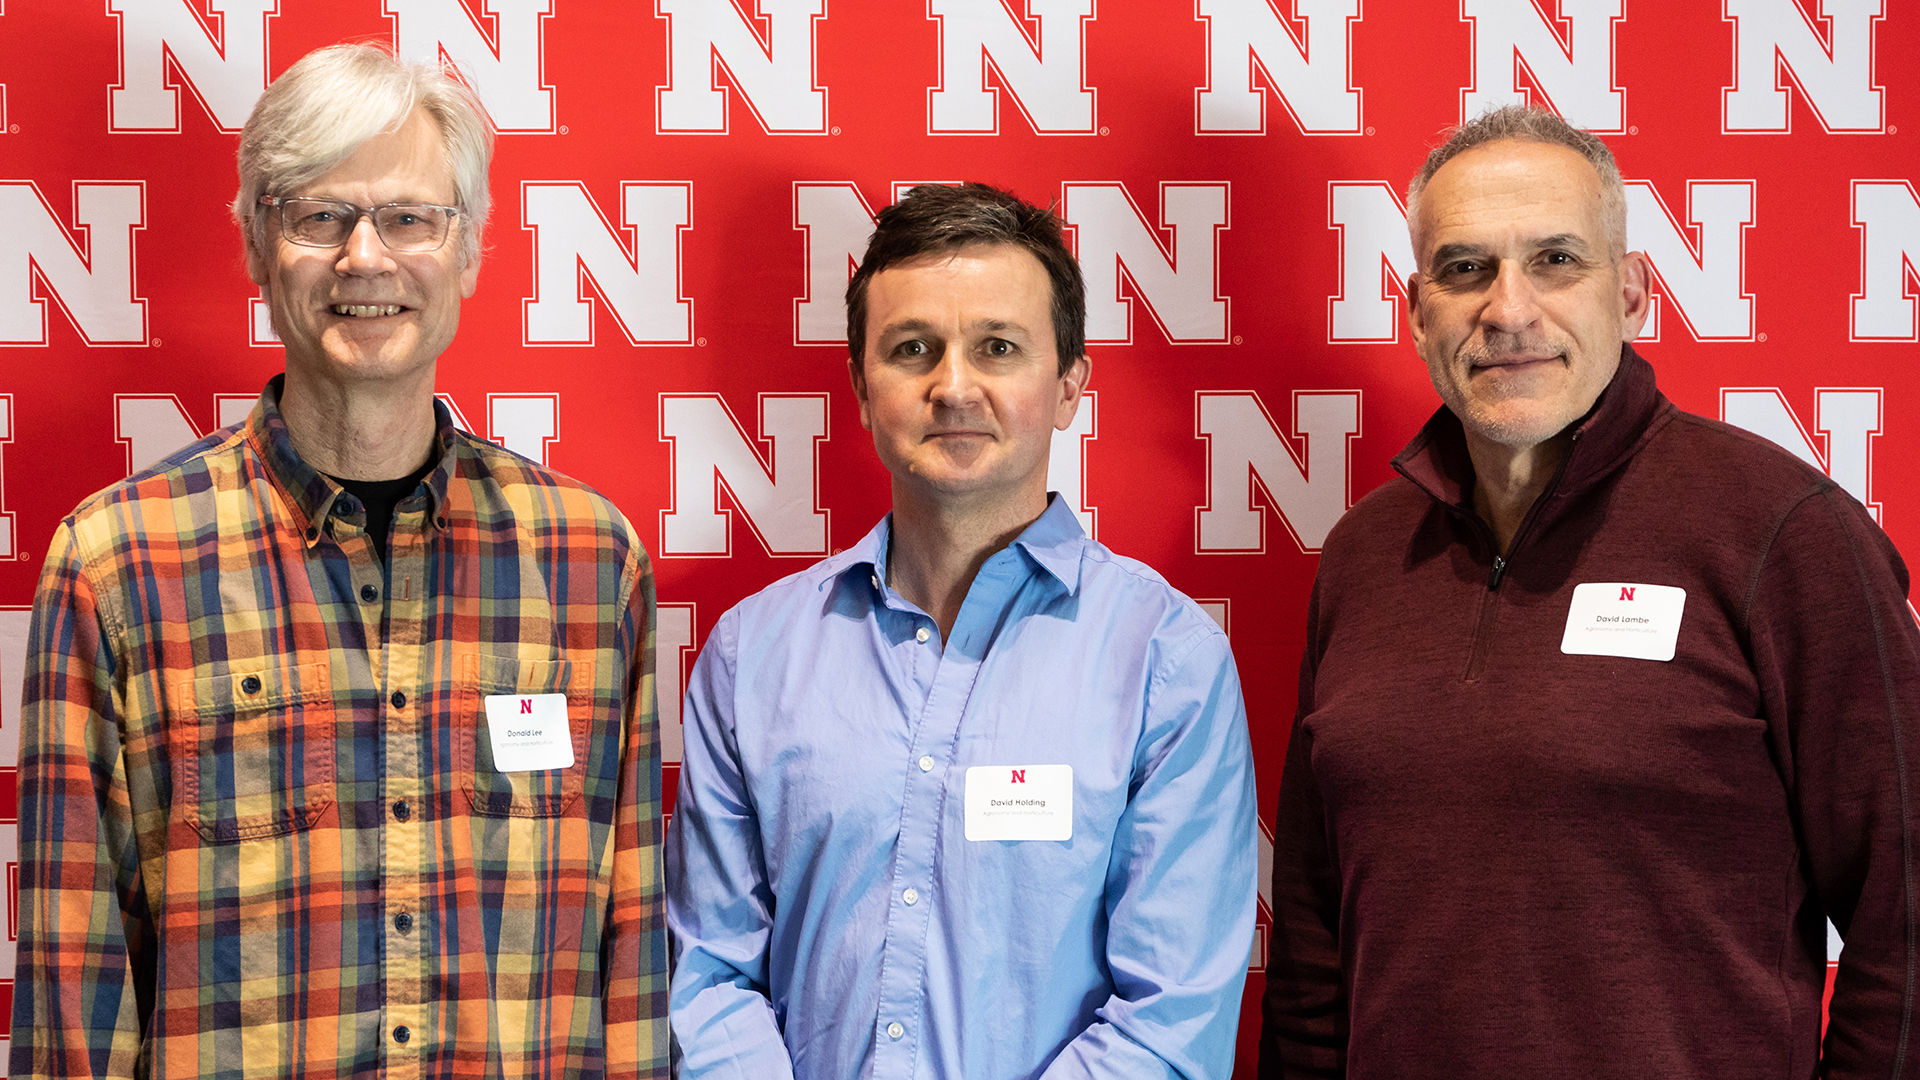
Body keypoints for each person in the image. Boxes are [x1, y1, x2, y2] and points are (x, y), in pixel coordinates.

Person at [9, 44, 665, 1079]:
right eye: (321, 218)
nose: (367, 258)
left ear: (470, 251)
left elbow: (630, 966)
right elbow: (72, 990)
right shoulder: (119, 564)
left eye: (410, 218)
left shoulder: (588, 560)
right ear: (258, 245)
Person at [1260, 104, 1920, 1077]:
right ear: (1416, 310)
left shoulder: (1785, 535)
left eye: (1557, 261)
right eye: (1465, 268)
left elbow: (1906, 910)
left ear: (1635, 291)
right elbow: (1314, 938)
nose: (1509, 310)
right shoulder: (1363, 558)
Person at [667, 182, 1257, 1079]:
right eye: (913, 350)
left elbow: (1172, 1017)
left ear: (1067, 386)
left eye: (998, 347)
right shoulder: (752, 656)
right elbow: (708, 977)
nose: (953, 386)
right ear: (863, 389)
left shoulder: (1166, 662)